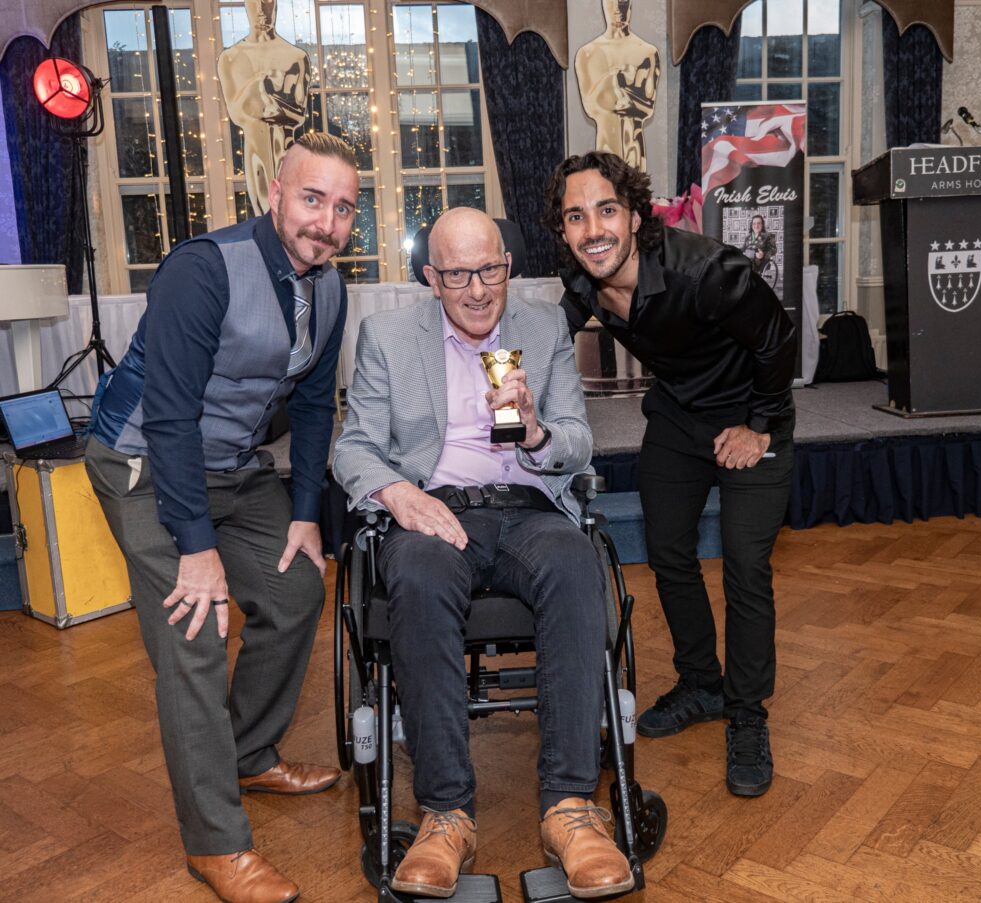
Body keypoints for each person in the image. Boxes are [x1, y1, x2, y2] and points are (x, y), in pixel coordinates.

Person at [85, 131, 358, 903]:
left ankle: (247, 751)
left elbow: (311, 406)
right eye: (313, 199)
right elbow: (169, 416)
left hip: (233, 469)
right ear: (275, 191)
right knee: (195, 627)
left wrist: (306, 514)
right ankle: (216, 841)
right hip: (142, 463)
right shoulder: (202, 270)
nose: (326, 222)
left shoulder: (331, 288)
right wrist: (196, 548)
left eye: (343, 208)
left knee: (299, 587)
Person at [333, 207, 633, 899]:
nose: (477, 289)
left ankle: (569, 807)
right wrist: (398, 493)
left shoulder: (543, 324)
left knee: (573, 562)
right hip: (436, 512)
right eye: (459, 273)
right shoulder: (386, 335)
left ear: (508, 265)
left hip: (528, 510)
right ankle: (445, 815)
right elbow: (353, 447)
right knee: (414, 571)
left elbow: (578, 441)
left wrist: (534, 432)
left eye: (490, 269)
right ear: (431, 277)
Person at [542, 151, 796, 798]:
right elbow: (540, 345)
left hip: (751, 414)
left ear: (633, 215)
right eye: (576, 216)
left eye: (605, 210)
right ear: (564, 229)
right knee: (669, 553)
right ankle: (701, 684)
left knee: (744, 563)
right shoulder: (581, 284)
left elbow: (776, 336)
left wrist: (760, 424)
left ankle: (746, 713)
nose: (592, 228)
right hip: (679, 419)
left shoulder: (706, 270)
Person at [218, 0, 311, 215]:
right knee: (263, 213)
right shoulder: (230, 58)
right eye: (254, 2)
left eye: (267, 1)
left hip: (286, 147)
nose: (261, 9)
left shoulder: (296, 57)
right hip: (254, 148)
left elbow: (299, 114)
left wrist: (269, 103)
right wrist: (258, 87)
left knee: (291, 210)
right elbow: (236, 113)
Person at [575, 0, 660, 171]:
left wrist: (617, 95)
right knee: (606, 190)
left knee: (636, 192)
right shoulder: (587, 53)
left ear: (630, 5)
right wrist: (614, 79)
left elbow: (648, 108)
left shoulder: (647, 52)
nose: (618, 9)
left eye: (623, 2)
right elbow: (591, 107)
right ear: (603, 4)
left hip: (634, 147)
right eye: (612, 2)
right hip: (605, 147)